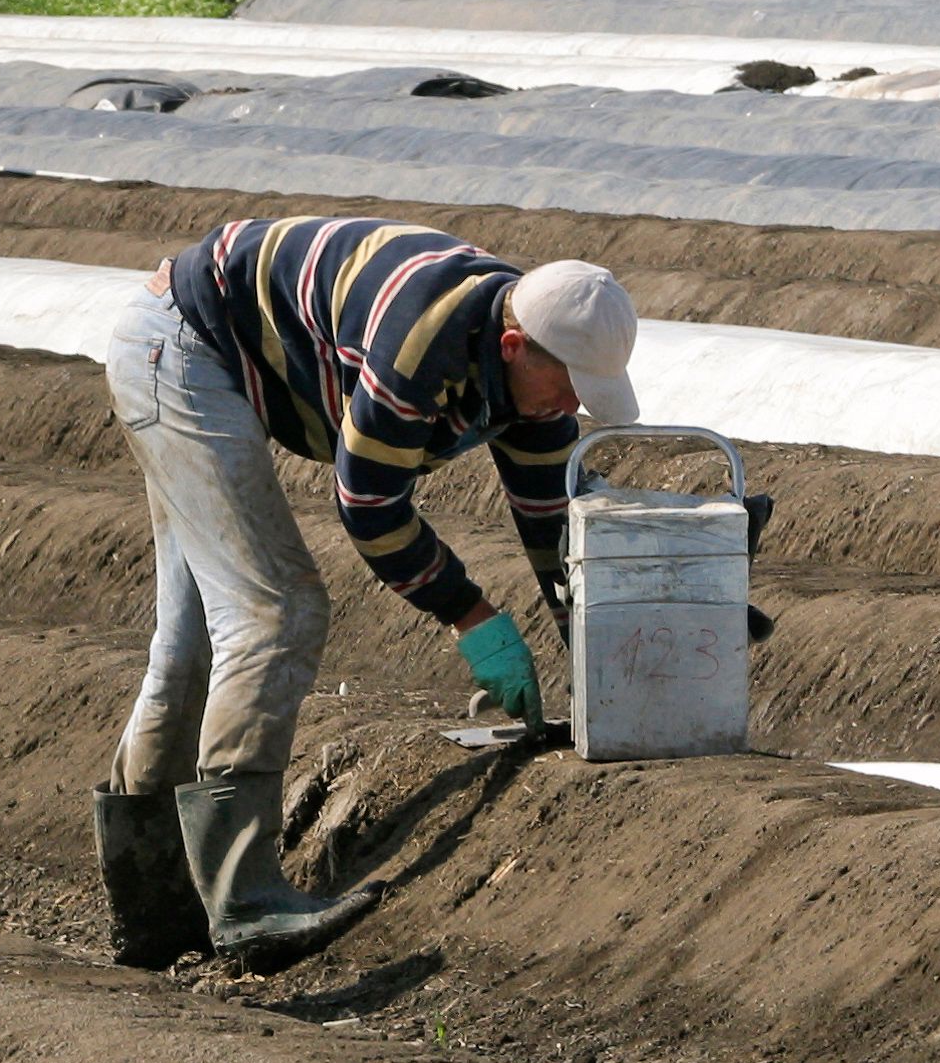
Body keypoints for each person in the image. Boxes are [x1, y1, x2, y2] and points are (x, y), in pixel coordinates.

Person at [96, 216, 640, 974]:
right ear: (515, 347)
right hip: (185, 348)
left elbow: (552, 524)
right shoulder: (422, 339)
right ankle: (247, 902)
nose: (570, 406)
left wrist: (598, 667)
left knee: (191, 645)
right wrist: (471, 616)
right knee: (276, 608)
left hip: (204, 344)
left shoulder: (526, 379)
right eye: (570, 386)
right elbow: (370, 503)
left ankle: (154, 910)